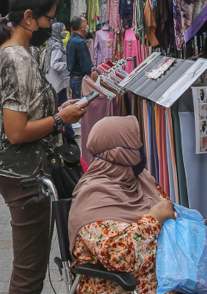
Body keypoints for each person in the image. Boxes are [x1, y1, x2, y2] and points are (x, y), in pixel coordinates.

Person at [0, 0, 87, 293]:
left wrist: (59, 110)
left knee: (32, 267)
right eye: (49, 19)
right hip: (24, 175)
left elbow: (28, 112)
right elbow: (17, 131)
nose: (52, 26)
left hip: (26, 172)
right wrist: (61, 118)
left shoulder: (20, 53)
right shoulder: (15, 58)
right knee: (29, 273)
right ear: (29, 17)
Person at [68, 116, 175, 294]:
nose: (141, 147)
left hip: (166, 275)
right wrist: (155, 219)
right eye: (135, 143)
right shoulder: (93, 198)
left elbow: (170, 211)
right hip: (121, 286)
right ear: (118, 152)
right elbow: (121, 258)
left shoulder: (140, 178)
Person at [66, 16, 93, 100]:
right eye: (86, 23)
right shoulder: (80, 42)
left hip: (73, 79)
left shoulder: (71, 40)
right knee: (82, 105)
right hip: (79, 80)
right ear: (82, 27)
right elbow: (86, 64)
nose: (87, 26)